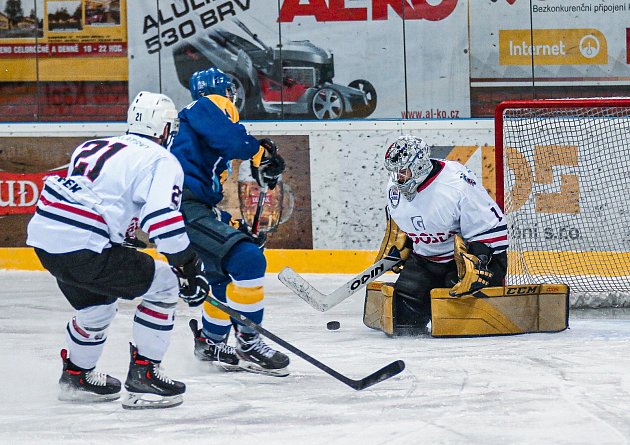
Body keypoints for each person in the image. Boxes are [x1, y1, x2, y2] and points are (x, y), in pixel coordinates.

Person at [26, 91, 209, 409]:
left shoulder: (91, 146)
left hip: (47, 241)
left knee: (96, 307)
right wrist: (187, 268)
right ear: (165, 129)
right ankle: (145, 377)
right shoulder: (162, 159)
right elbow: (162, 218)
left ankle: (76, 378)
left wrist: (119, 233)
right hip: (85, 245)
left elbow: (91, 198)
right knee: (165, 285)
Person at [170, 67, 290, 376]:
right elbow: (233, 141)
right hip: (185, 206)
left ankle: (211, 341)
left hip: (189, 207)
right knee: (249, 259)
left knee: (222, 278)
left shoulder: (190, 123)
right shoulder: (206, 105)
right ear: (224, 92)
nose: (231, 101)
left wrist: (227, 225)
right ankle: (249, 342)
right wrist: (260, 152)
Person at [372, 134, 508, 335]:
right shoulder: (394, 187)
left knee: (455, 323)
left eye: (402, 171)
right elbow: (409, 217)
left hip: (468, 262)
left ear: (418, 166)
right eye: (394, 172)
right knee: (402, 321)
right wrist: (405, 241)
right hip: (426, 260)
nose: (397, 178)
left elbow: (491, 228)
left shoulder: (456, 184)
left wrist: (479, 261)